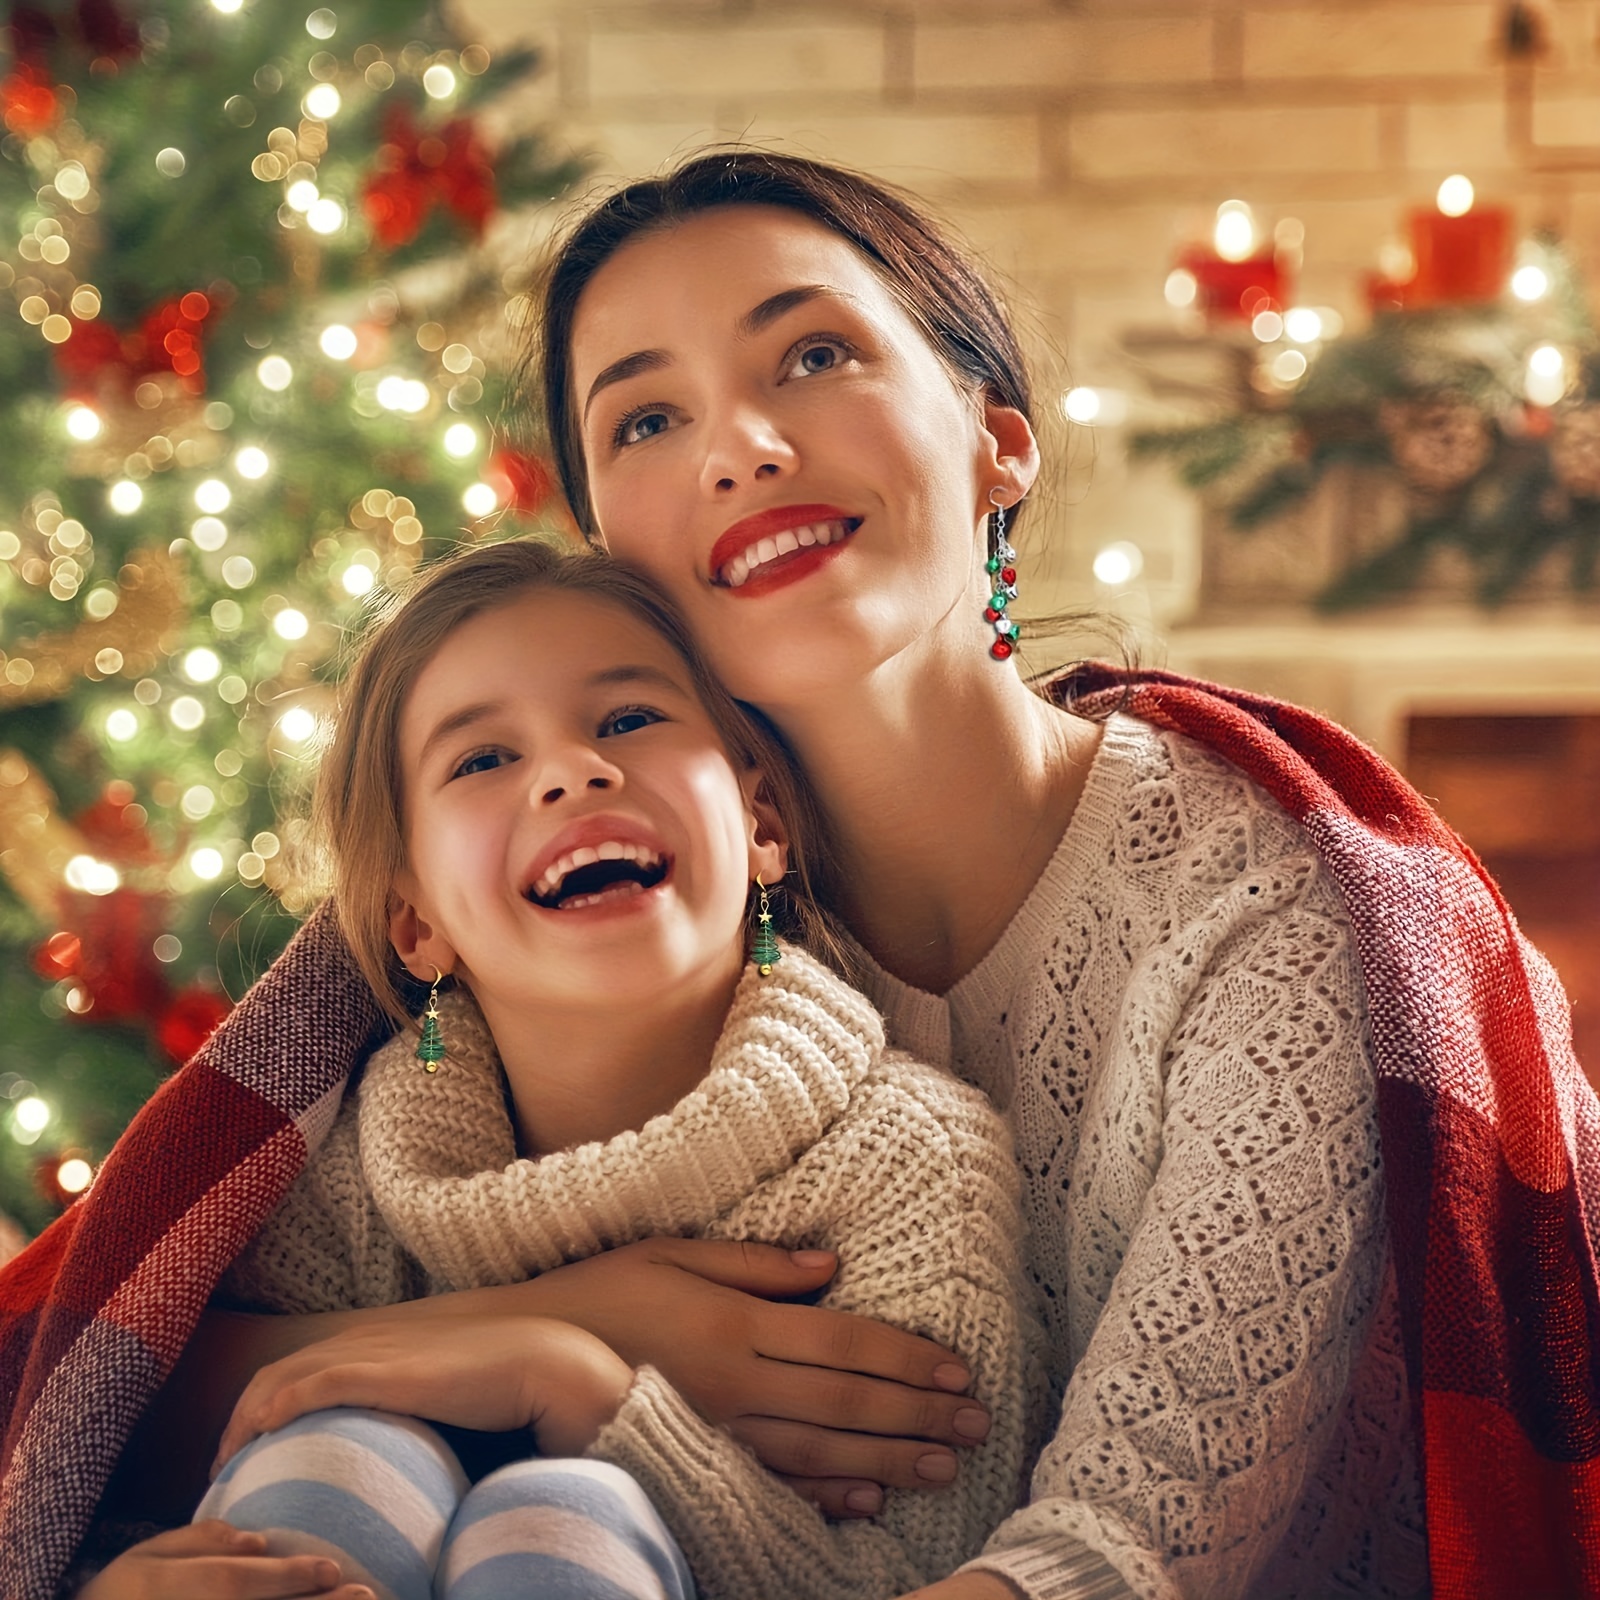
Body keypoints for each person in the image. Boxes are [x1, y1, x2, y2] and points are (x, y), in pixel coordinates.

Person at [3, 150, 1597, 1600]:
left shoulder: (1276, 909)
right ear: (604, 551)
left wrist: (570, 1373)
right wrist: (591, 1324)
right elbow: (95, 1374)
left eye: (814, 356)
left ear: (997, 441)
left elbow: (1122, 1560)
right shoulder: (596, 900)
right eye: (646, 418)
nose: (741, 450)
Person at [71, 537, 1042, 1599]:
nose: (576, 771)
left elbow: (920, 1572)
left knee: (559, 1514)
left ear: (761, 824)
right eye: (482, 759)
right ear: (416, 921)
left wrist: (573, 1386)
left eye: (628, 720)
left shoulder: (910, 1163)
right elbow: (78, 1442)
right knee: (338, 1453)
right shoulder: (349, 1174)